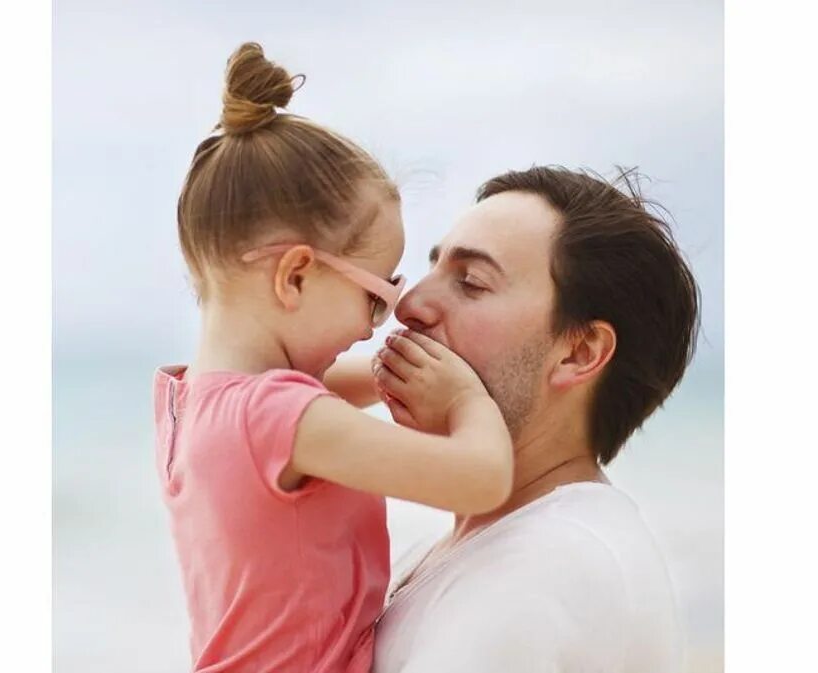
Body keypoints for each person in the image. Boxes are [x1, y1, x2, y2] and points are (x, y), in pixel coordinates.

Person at [153, 43, 514, 673]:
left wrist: (384, 374)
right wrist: (465, 398)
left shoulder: (188, 402)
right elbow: (482, 480)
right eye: (376, 297)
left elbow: (294, 400)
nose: (386, 320)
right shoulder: (284, 418)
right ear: (295, 276)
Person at [369, 166, 700, 673]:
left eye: (471, 283)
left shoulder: (551, 564)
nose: (409, 305)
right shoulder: (478, 548)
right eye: (432, 267)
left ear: (580, 352)